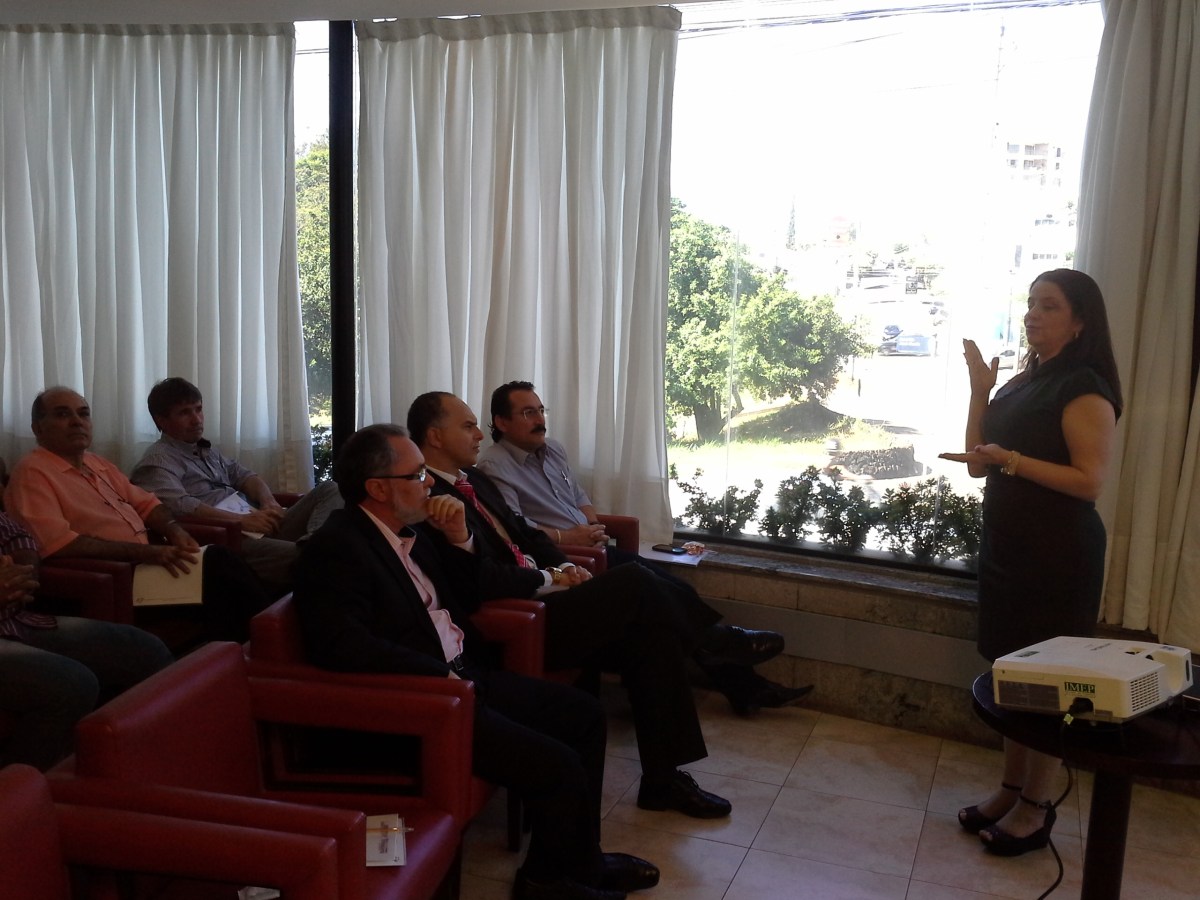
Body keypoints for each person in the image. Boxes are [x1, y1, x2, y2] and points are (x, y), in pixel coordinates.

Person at [291, 424, 659, 900]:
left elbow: (466, 594)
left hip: (468, 675)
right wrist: (439, 675)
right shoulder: (336, 549)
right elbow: (341, 645)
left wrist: (459, 536)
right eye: (417, 475)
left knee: (583, 716)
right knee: (557, 764)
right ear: (378, 488)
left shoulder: (412, 531)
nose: (430, 482)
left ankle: (580, 863)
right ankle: (545, 883)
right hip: (427, 703)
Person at [408, 392, 757, 820]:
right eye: (467, 426)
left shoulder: (474, 480)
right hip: (519, 623)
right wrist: (549, 578)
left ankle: (663, 780)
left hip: (549, 596)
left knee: (652, 635)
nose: (480, 434)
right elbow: (476, 582)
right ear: (434, 436)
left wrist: (565, 566)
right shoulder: (427, 501)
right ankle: (718, 642)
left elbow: (525, 534)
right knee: (634, 580)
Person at [474, 381, 811, 715]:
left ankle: (739, 676)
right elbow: (514, 528)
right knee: (661, 599)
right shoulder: (494, 465)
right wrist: (569, 538)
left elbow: (579, 496)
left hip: (592, 545)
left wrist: (592, 526)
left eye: (540, 410)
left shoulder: (553, 450)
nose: (539, 420)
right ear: (501, 422)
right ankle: (731, 653)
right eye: (528, 413)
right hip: (569, 559)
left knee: (677, 591)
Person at [939, 269, 1122, 857]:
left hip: (1057, 556)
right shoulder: (1025, 380)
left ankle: (1037, 807)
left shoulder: (1084, 387)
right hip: (1009, 550)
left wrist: (1012, 460)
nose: (1032, 315)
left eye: (1049, 306)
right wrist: (980, 390)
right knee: (1012, 677)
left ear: (1080, 321)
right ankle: (1011, 789)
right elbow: (977, 463)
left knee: (1047, 683)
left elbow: (1090, 481)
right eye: (1030, 304)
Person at [5, 387, 273, 643]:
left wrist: (175, 530)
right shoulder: (32, 473)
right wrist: (148, 553)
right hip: (117, 578)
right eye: (62, 414)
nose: (77, 422)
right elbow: (59, 544)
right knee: (221, 569)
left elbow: (148, 504)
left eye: (83, 414)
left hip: (146, 565)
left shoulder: (96, 463)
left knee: (225, 570)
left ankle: (253, 648)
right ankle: (266, 645)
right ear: (38, 428)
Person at [0, 462, 173, 771]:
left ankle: (139, 762)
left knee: (144, 649)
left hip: (16, 620)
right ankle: (22, 790)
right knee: (72, 683)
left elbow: (16, 536)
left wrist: (24, 571)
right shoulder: (33, 470)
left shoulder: (99, 465)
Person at [130, 377, 343, 595]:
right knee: (323, 559)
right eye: (184, 413)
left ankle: (314, 543)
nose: (196, 419)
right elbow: (180, 506)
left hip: (257, 521)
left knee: (330, 488)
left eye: (198, 409)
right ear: (161, 421)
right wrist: (240, 521)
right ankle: (318, 551)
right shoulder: (156, 462)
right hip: (229, 538)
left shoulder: (205, 450)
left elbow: (245, 476)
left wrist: (269, 502)